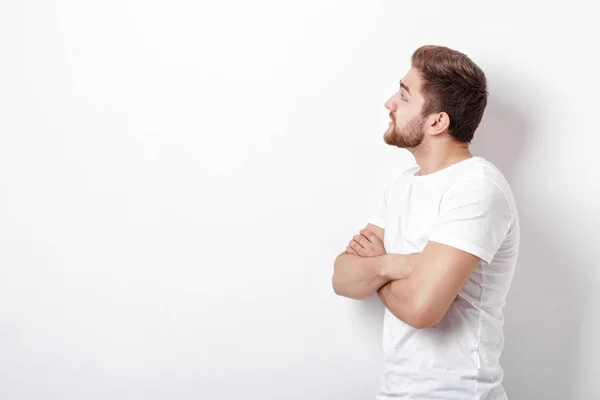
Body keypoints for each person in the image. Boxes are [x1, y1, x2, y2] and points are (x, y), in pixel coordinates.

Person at [331, 45, 520, 399]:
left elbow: (422, 309)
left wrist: (376, 270)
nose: (389, 103)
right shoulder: (403, 184)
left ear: (437, 121)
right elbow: (342, 278)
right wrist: (398, 265)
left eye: (403, 96)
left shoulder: (476, 187)